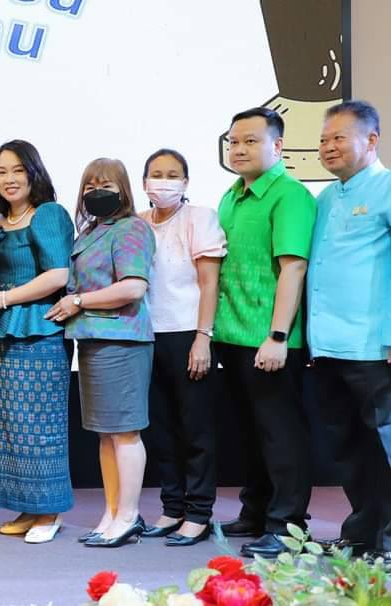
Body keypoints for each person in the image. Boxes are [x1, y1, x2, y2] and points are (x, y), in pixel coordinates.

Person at [213, 107, 317, 559]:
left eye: (250, 141)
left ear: (278, 145)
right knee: (251, 433)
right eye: (234, 142)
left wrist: (277, 336)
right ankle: (256, 512)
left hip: (270, 340)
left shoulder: (290, 195)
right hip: (232, 335)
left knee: (281, 435)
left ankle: (288, 526)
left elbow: (293, 267)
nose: (239, 149)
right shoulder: (231, 195)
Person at [46, 158, 155, 549]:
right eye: (90, 186)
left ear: (123, 189)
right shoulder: (89, 232)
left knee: (125, 432)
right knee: (106, 434)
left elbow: (133, 287)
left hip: (122, 339)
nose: (97, 192)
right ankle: (112, 511)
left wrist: (78, 301)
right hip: (93, 340)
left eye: (106, 185)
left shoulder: (132, 228)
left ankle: (128, 515)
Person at [0, 140, 75, 544]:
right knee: (12, 426)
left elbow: (58, 275)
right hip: (1, 333)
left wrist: (5, 298)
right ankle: (29, 508)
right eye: (2, 171)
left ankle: (50, 512)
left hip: (39, 332)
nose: (9, 179)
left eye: (17, 170)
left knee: (41, 426)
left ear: (34, 173)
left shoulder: (47, 213)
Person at [308, 100, 391, 561]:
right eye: (323, 139)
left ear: (371, 140)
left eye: (339, 137)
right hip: (328, 345)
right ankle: (362, 533)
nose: (328, 147)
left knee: (385, 443)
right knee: (348, 448)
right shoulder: (325, 198)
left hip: (373, 345)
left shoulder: (386, 187)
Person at [137, 149, 226, 547]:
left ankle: (199, 513)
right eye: (156, 174)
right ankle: (172, 507)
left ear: (186, 182)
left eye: (172, 174)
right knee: (160, 428)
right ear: (144, 182)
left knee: (196, 429)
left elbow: (209, 283)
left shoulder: (199, 218)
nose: (164, 181)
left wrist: (203, 337)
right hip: (145, 336)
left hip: (188, 333)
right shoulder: (137, 223)